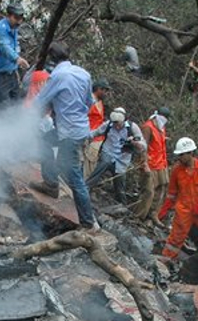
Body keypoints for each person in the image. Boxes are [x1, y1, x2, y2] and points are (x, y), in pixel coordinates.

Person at [31, 42, 99, 231]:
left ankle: (88, 223)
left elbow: (40, 101)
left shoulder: (58, 76)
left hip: (68, 132)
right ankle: (51, 184)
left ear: (52, 60)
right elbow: (88, 102)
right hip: (79, 129)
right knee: (46, 142)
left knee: (74, 176)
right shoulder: (84, 73)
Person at [86, 107, 146, 204]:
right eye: (114, 123)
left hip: (122, 159)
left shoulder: (132, 127)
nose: (116, 126)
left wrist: (135, 142)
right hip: (108, 152)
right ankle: (87, 187)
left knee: (120, 182)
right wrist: (82, 136)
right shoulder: (108, 125)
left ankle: (122, 204)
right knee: (104, 163)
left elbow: (143, 146)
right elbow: (95, 133)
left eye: (118, 123)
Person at [0, 4, 30, 109]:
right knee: (1, 111)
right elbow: (5, 48)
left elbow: (15, 46)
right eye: (16, 18)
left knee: (17, 106)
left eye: (21, 18)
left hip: (11, 75)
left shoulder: (14, 27)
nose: (19, 21)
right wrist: (17, 59)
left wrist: (15, 69)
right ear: (8, 16)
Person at [132, 107, 171, 227]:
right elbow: (143, 146)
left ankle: (153, 214)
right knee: (148, 191)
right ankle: (139, 215)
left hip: (161, 163)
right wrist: (144, 163)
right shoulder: (148, 127)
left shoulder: (161, 128)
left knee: (162, 189)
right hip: (150, 164)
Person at [84, 78, 111, 177]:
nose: (106, 93)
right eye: (105, 90)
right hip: (89, 137)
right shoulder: (90, 101)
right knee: (88, 165)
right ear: (99, 89)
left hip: (97, 138)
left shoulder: (99, 102)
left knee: (91, 165)